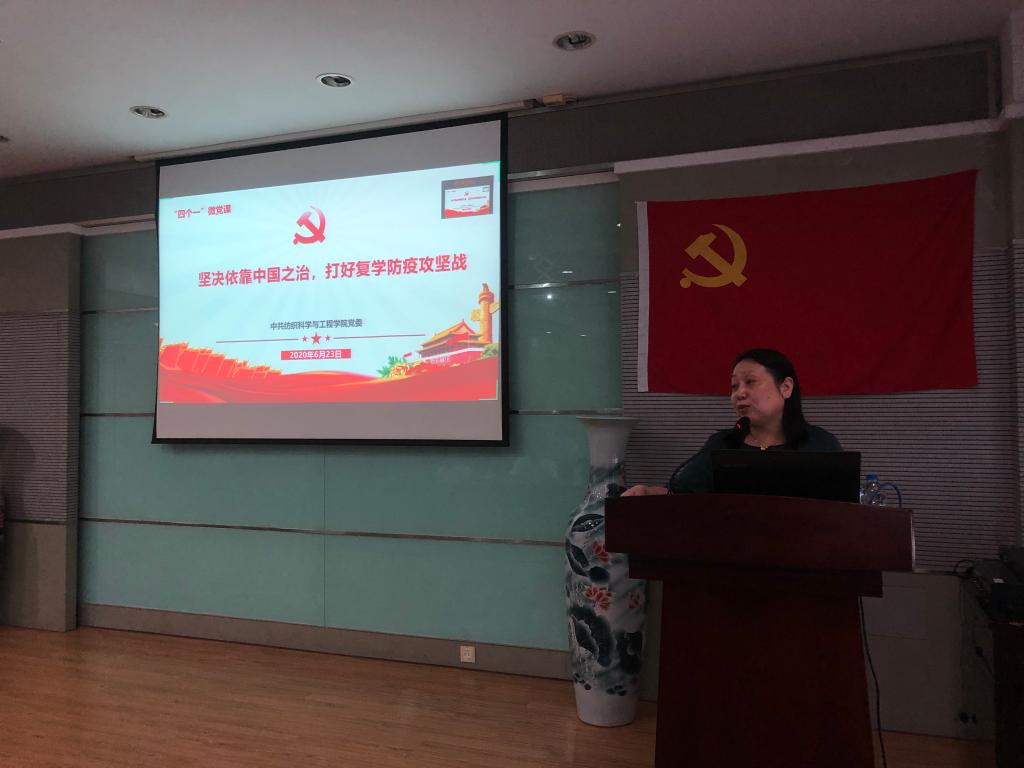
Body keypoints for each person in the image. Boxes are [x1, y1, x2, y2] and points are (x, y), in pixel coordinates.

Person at [623, 348, 841, 496]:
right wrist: (647, 491)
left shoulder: (821, 444)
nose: (739, 394)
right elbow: (679, 494)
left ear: (785, 388)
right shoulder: (723, 444)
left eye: (750, 382)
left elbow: (843, 512)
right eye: (734, 386)